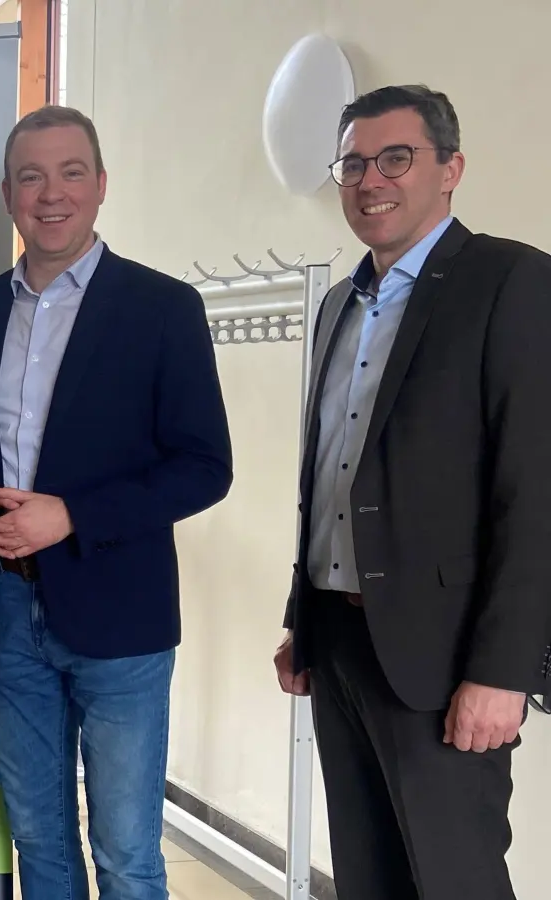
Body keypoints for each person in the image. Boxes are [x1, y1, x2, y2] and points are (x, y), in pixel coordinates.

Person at [0, 105, 232, 900]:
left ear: (100, 186)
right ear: (7, 193)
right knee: (40, 839)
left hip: (121, 620)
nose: (50, 193)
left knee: (127, 851)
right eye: (31, 176)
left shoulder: (162, 309)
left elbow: (205, 467)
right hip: (10, 614)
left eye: (70, 173)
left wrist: (72, 515)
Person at [272, 85, 551, 900]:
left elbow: (533, 495)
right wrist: (305, 614)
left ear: (450, 168)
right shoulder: (336, 304)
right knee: (368, 876)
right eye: (353, 163)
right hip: (342, 643)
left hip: (446, 658)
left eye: (396, 157)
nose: (370, 180)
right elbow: (333, 472)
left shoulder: (512, 283)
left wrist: (503, 672)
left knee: (452, 880)